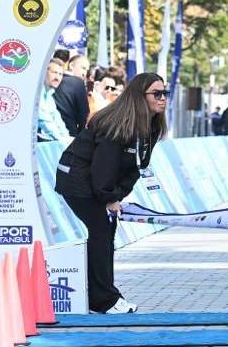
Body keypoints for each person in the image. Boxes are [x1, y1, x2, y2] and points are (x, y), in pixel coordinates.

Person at [54, 73, 168, 314]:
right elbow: (102, 169)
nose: (163, 98)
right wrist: (109, 197)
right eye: (156, 94)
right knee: (102, 232)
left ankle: (100, 296)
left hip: (96, 182)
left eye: (164, 93)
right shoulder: (118, 123)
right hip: (77, 180)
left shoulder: (150, 125)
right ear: (140, 96)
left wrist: (118, 195)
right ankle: (104, 300)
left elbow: (135, 167)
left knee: (105, 233)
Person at [55, 54, 91, 137]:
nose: (84, 73)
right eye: (83, 68)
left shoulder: (51, 80)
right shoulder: (77, 83)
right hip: (69, 133)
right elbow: (84, 114)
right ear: (71, 65)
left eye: (86, 70)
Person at [37, 59, 70, 142]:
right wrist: (62, 140)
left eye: (60, 74)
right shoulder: (37, 93)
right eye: (54, 72)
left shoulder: (49, 95)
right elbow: (45, 121)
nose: (57, 78)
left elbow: (57, 121)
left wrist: (66, 138)